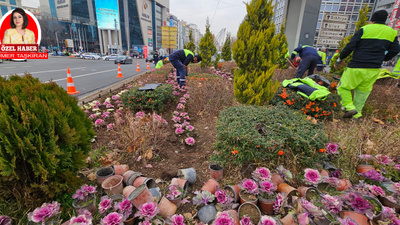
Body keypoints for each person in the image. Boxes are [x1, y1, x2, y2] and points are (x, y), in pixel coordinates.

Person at [335, 10, 400, 119]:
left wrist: (341, 58)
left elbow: (350, 45)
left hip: (356, 66)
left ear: (372, 20)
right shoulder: (391, 32)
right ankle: (356, 116)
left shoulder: (365, 29)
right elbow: (395, 49)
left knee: (343, 87)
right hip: (374, 68)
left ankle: (349, 107)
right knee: (362, 92)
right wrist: (384, 58)